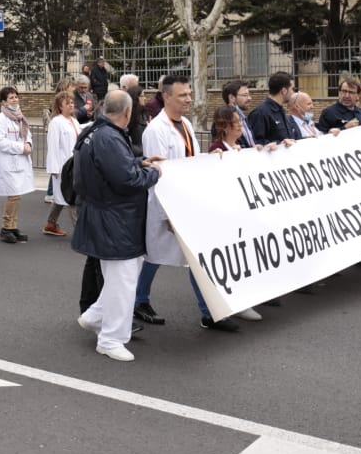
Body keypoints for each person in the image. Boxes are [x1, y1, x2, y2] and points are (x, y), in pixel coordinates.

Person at [135, 74, 261, 332]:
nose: (189, 99)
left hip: (185, 203)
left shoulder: (186, 125)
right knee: (155, 256)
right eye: (183, 95)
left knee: (194, 258)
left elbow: (188, 160)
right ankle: (140, 301)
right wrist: (166, 215)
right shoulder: (156, 130)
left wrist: (209, 156)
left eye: (190, 94)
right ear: (166, 97)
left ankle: (208, 313)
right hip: (167, 207)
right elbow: (157, 173)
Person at [73, 90, 161, 362]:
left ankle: (95, 316)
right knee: (123, 281)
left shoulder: (95, 132)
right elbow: (126, 179)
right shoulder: (109, 137)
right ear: (127, 112)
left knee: (121, 276)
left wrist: (138, 162)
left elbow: (114, 168)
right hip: (116, 219)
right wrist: (152, 173)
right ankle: (111, 339)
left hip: (107, 216)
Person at [0, 86, 36, 244]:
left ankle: (13, 226)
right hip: (8, 162)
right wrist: (20, 148)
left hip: (20, 161)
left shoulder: (20, 117)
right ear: (4, 102)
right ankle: (6, 228)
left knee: (17, 196)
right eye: (11, 98)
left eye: (16, 97)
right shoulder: (0, 119)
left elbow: (27, 134)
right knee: (14, 196)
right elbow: (0, 141)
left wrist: (29, 144)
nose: (15, 100)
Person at [43, 90, 80, 237]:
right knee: (71, 197)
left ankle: (51, 224)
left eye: (72, 102)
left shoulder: (74, 121)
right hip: (63, 167)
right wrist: (54, 168)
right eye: (67, 103)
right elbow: (52, 146)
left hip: (74, 164)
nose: (71, 105)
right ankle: (80, 231)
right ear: (60, 106)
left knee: (61, 197)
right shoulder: (56, 123)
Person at [248, 72, 298, 145]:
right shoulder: (261, 113)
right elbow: (255, 142)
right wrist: (279, 144)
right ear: (284, 91)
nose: (294, 92)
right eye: (293, 89)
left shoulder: (281, 110)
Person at [221, 80, 257, 148]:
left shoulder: (244, 118)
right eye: (245, 95)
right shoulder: (222, 119)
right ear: (231, 97)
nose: (249, 98)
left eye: (249, 95)